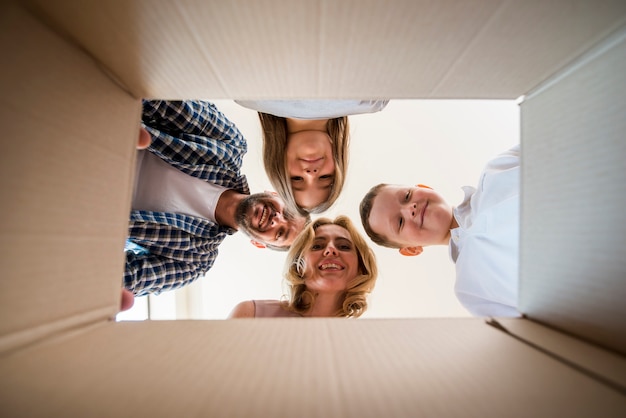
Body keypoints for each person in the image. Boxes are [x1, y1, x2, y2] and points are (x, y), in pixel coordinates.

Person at [125, 100, 309, 297]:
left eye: (281, 233)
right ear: (276, 193)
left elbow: (127, 279)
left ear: (259, 244)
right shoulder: (229, 142)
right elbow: (159, 102)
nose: (277, 219)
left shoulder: (194, 262)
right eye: (287, 212)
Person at [359, 144, 520, 317]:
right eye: (399, 222)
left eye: (407, 196)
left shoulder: (498, 169)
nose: (410, 209)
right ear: (412, 250)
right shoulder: (472, 290)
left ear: (425, 187)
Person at [236, 100, 389, 215]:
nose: (311, 174)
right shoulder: (371, 101)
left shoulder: (248, 97)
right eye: (324, 177)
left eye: (297, 179)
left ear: (278, 165)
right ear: (338, 164)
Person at [228, 215, 378, 318]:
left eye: (344, 246)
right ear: (298, 266)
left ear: (361, 268)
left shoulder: (365, 340)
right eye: (317, 246)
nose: (330, 250)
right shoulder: (250, 315)